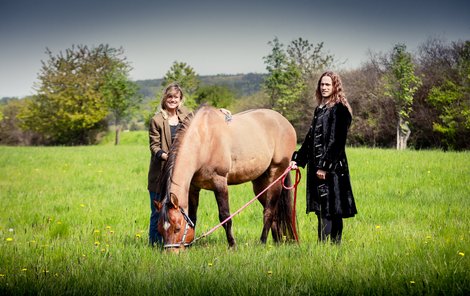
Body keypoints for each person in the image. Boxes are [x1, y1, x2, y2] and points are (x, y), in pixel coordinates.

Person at [290, 71, 357, 244]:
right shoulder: (319, 110)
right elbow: (311, 139)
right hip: (316, 168)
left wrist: (324, 167)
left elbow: (337, 142)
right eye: (322, 84)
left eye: (328, 84)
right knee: (321, 209)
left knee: (334, 209)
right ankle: (323, 247)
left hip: (333, 170)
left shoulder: (340, 110)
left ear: (335, 87)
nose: (324, 87)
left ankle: (334, 247)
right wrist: (297, 160)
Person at [147, 82, 190, 246]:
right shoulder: (157, 120)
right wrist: (168, 156)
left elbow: (202, 117)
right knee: (158, 212)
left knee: (182, 211)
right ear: (165, 98)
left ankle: (183, 241)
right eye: (170, 97)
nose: (173, 100)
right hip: (160, 174)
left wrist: (220, 111)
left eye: (176, 97)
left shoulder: (186, 115)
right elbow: (154, 146)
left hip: (180, 176)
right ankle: (155, 244)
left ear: (180, 100)